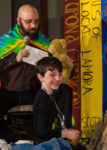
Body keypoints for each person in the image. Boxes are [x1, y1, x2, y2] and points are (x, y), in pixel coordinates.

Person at [0, 4, 72, 143]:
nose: (33, 25)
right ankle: (15, 141)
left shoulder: (45, 44)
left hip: (36, 92)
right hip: (9, 93)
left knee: (64, 91)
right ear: (18, 21)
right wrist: (15, 59)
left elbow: (58, 73)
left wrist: (68, 67)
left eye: (36, 21)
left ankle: (62, 137)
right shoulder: (5, 42)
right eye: (28, 22)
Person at [33, 56, 80, 147]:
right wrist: (66, 134)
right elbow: (42, 132)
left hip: (55, 141)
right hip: (45, 145)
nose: (58, 78)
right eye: (52, 75)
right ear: (40, 77)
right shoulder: (43, 99)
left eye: (60, 74)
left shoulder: (50, 95)